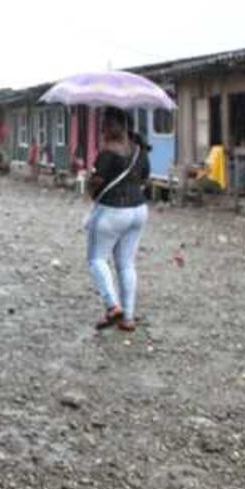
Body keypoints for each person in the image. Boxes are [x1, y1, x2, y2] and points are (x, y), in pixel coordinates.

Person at [85, 106, 151, 332]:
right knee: (126, 264)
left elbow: (96, 183)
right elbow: (145, 178)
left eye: (106, 122)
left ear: (118, 125)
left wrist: (89, 182)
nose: (102, 127)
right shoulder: (139, 150)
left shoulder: (108, 152)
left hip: (111, 211)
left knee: (96, 259)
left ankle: (113, 306)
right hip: (138, 211)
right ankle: (128, 317)